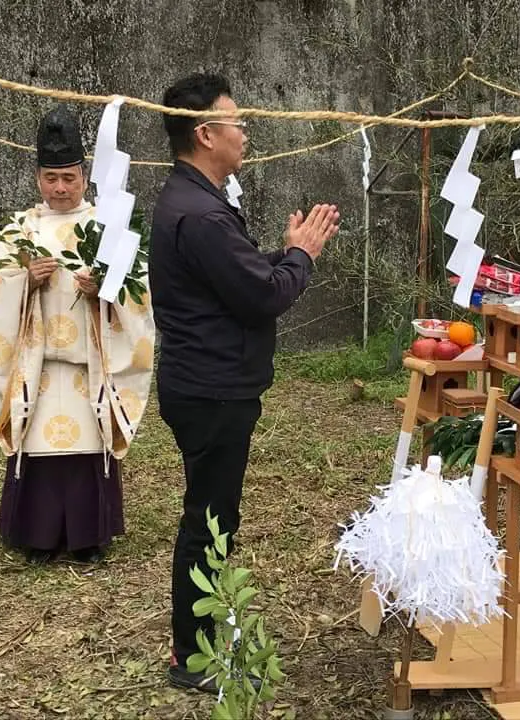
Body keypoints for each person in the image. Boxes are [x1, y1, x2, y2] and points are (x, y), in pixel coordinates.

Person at [149, 73, 339, 693]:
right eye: (236, 120)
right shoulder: (200, 214)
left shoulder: (196, 199)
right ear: (205, 134)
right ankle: (193, 656)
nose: (245, 130)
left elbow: (246, 280)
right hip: (212, 388)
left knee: (211, 514)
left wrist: (284, 255)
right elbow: (261, 298)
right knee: (207, 520)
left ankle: (202, 638)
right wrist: (302, 254)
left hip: (205, 381)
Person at [0, 106, 156, 565]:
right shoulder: (20, 230)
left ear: (84, 176)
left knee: (85, 449)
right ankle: (38, 537)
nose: (60, 188)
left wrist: (106, 291)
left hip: (89, 365)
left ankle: (88, 537)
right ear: (38, 178)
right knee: (39, 448)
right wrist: (23, 281)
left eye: (69, 178)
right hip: (36, 367)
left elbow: (140, 294)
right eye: (51, 178)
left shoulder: (105, 230)